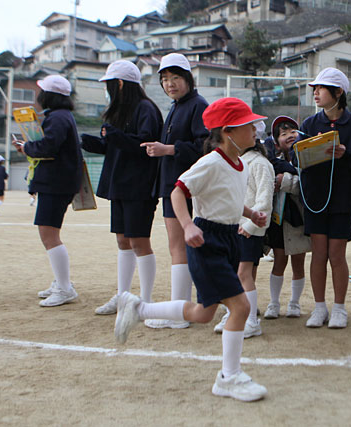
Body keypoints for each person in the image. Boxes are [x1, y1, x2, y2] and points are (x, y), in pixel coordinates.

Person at [113, 97, 268, 402]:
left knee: (203, 313)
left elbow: (229, 198)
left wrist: (251, 214)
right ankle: (229, 377)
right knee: (241, 308)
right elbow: (177, 192)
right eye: (248, 125)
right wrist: (187, 226)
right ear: (227, 131)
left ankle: (138, 309)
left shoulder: (240, 164)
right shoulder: (210, 162)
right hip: (207, 241)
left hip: (228, 240)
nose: (255, 130)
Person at [81, 60, 163, 315]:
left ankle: (146, 302)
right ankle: (123, 296)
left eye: (108, 84)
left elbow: (145, 145)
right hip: (120, 185)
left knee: (139, 241)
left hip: (139, 187)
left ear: (119, 84)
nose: (107, 90)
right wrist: (87, 142)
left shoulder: (146, 108)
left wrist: (114, 136)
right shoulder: (119, 111)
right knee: (123, 240)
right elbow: (112, 146)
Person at [295, 67, 351, 329]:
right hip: (315, 199)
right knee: (318, 254)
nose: (315, 93)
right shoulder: (309, 124)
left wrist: (345, 154)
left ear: (338, 92)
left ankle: (339, 308)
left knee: (337, 254)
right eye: (314, 88)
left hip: (342, 199)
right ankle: (319, 308)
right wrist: (310, 149)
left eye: (321, 88)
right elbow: (296, 159)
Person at [138, 54, 209, 329]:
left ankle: (179, 313)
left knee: (180, 246)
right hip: (173, 185)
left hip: (187, 187)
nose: (170, 84)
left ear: (188, 79)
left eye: (176, 78)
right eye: (165, 79)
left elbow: (205, 146)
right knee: (178, 246)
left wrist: (168, 149)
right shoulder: (178, 106)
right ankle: (182, 308)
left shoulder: (197, 105)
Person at [12, 75, 83, 306]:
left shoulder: (58, 117)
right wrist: (28, 147)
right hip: (58, 182)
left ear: (49, 95)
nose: (39, 95)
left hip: (55, 183)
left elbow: (49, 146)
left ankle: (64, 287)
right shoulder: (62, 116)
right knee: (50, 234)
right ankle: (62, 282)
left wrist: (27, 146)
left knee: (49, 235)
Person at [214, 133, 274, 337]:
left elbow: (265, 200)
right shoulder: (237, 162)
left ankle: (250, 321)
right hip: (234, 226)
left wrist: (250, 225)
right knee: (236, 273)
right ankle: (235, 313)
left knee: (243, 274)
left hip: (250, 229)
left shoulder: (260, 163)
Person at [262, 116, 311, 320]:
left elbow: (308, 184)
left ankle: (294, 303)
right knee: (279, 261)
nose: (290, 136)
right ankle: (274, 303)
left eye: (293, 131)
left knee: (298, 262)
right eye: (283, 134)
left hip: (298, 217)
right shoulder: (272, 160)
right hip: (278, 218)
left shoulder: (306, 157)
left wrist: (286, 180)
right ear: (276, 141)